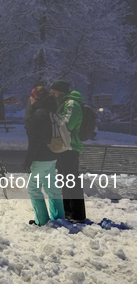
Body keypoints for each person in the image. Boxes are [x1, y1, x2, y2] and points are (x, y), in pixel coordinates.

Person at [24, 86, 65, 226]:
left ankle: (41, 220)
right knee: (51, 187)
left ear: (36, 98)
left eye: (32, 97)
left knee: (33, 189)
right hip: (52, 154)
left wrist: (28, 160)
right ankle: (58, 217)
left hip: (40, 157)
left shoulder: (39, 114)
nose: (30, 99)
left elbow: (35, 140)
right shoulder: (50, 110)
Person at [49, 79, 86, 223]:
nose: (52, 94)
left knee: (72, 181)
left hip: (70, 148)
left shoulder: (71, 104)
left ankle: (78, 214)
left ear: (61, 91)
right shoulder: (62, 103)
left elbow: (66, 125)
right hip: (63, 147)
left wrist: (53, 119)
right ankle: (68, 211)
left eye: (54, 92)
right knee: (65, 181)